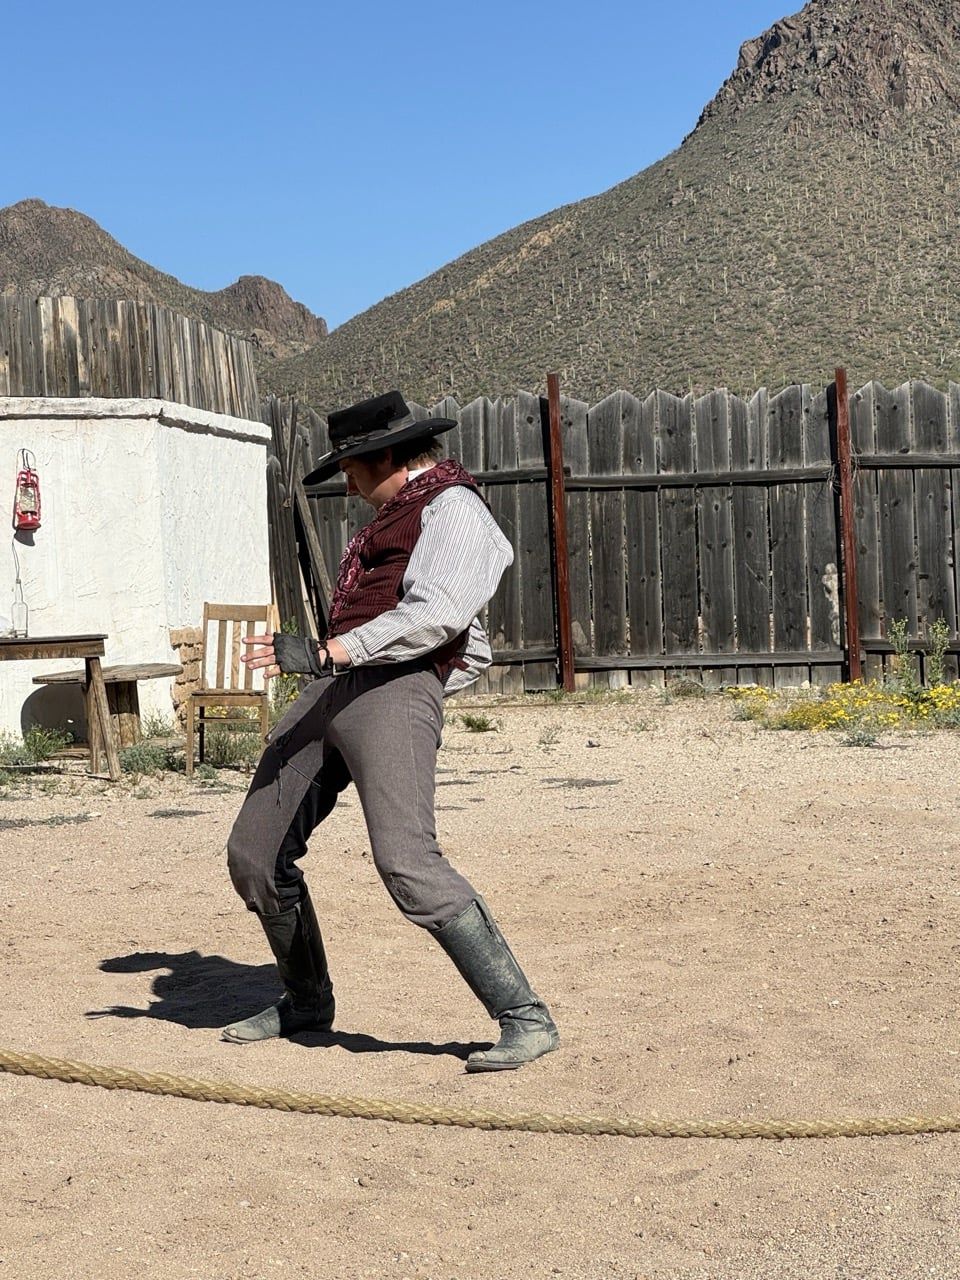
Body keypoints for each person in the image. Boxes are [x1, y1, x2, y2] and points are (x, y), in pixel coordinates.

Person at [223, 390, 559, 1073]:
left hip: (388, 687)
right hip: (336, 684)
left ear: (384, 457)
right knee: (254, 854)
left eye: (350, 465)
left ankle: (525, 1018)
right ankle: (306, 1001)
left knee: (407, 863)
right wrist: (329, 664)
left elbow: (441, 614)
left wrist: (352, 662)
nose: (345, 480)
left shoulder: (453, 507)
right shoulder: (390, 517)